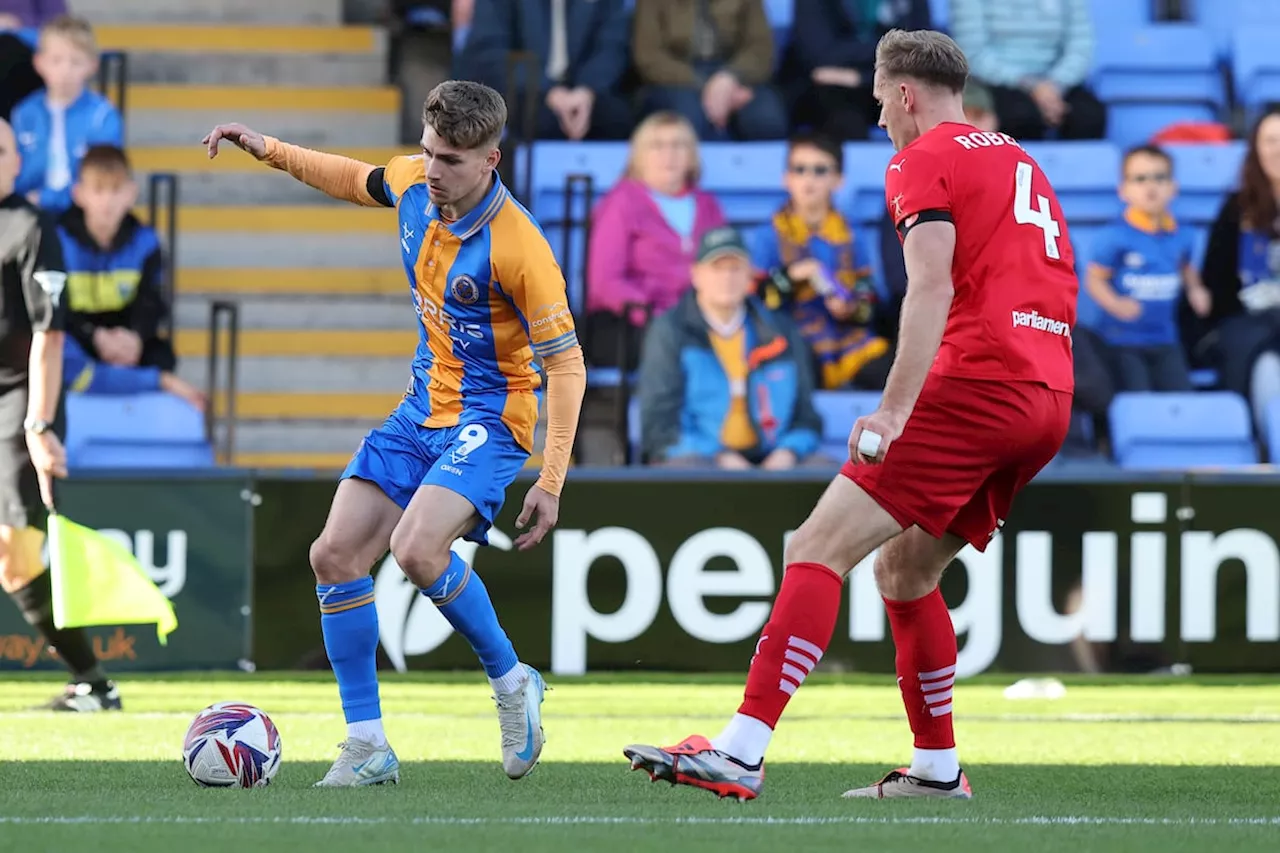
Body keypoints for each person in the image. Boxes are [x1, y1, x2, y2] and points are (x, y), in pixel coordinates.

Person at [623, 28, 1077, 801]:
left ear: (904, 94)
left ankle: (740, 748)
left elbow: (930, 286)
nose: (879, 123)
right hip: (1048, 395)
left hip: (976, 383)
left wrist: (895, 407)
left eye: (879, 103)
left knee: (815, 543)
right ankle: (936, 768)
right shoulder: (1018, 157)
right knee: (904, 569)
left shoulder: (921, 157)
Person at [203, 80, 586, 787]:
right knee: (335, 554)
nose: (434, 170)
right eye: (429, 151)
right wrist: (270, 149)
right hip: (420, 409)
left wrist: (552, 480)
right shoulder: (414, 181)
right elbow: (355, 178)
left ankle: (512, 683)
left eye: (453, 160)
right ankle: (368, 743)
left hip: (493, 419)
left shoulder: (521, 249)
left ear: (491, 160)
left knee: (414, 547)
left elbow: (566, 365)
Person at [0, 117, 120, 712]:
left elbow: (48, 336)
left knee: (15, 555)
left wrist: (39, 425)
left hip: (17, 403)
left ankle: (94, 683)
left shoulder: (31, 227)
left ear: (15, 161)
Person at [638, 226, 823, 469]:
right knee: (687, 469)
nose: (727, 277)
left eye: (735, 268)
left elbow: (807, 419)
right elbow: (660, 429)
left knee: (826, 473)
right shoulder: (670, 331)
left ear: (749, 276)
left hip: (772, 458)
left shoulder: (781, 331)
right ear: (696, 275)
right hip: (701, 460)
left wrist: (788, 451)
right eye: (717, 268)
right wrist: (720, 457)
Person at [749, 132, 893, 390]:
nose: (809, 179)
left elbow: (867, 293)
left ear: (838, 180)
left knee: (896, 375)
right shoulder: (769, 234)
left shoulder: (851, 232)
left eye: (820, 170)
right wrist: (792, 276)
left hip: (850, 341)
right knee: (792, 366)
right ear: (787, 179)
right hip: (791, 337)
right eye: (800, 169)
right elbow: (757, 299)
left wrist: (851, 308)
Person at [585, 111, 726, 369]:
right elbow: (605, 282)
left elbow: (724, 264)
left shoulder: (708, 206)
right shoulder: (621, 202)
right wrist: (657, 317)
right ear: (639, 156)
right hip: (633, 321)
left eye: (678, 145)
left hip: (700, 318)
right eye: (657, 145)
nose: (669, 154)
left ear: (692, 155)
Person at [1085, 144, 1211, 392]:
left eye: (1159, 177)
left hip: (1166, 338)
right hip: (1122, 339)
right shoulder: (1115, 236)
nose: (1150, 186)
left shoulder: (1183, 233)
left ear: (1173, 188)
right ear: (1123, 190)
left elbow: (1185, 267)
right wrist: (1116, 304)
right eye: (1140, 179)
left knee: (1182, 397)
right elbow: (1094, 280)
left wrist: (1196, 289)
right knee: (1136, 396)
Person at [58, 145, 178, 374]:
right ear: (79, 194)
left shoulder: (146, 242)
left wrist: (135, 337)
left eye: (115, 190)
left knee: (162, 357)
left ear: (131, 193)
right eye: (98, 190)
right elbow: (54, 306)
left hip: (126, 338)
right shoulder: (59, 240)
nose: (107, 201)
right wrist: (95, 336)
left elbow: (153, 302)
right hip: (77, 336)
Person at [1199, 108, 1280, 431]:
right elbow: (1216, 284)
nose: (1278, 150)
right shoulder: (1236, 208)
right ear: (1256, 148)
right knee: (1266, 368)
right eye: (1270, 140)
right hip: (1247, 323)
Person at [461, 0, 634, 141]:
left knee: (616, 117)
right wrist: (548, 90)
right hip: (523, 88)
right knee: (537, 119)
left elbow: (612, 45)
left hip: (586, 91)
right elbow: (490, 52)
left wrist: (586, 91)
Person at [632, 0, 788, 141]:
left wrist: (729, 78)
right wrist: (707, 85)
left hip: (736, 72)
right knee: (690, 120)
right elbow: (649, 57)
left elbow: (760, 49)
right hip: (676, 77)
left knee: (766, 121)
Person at [12, 15, 122, 214]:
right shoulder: (24, 113)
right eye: (56, 60)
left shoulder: (102, 116)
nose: (65, 70)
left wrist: (47, 199)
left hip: (82, 214)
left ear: (92, 65)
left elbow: (103, 175)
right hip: (28, 210)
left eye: (76, 62)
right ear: (39, 63)